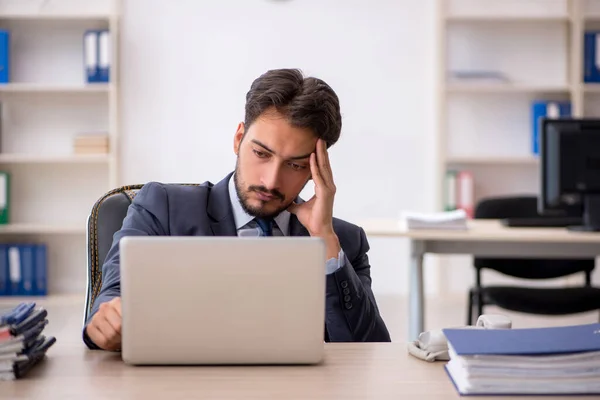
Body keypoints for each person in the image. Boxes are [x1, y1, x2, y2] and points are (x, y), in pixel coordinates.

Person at [83, 68, 391, 351]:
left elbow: (369, 352)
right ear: (238, 138)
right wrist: (108, 320)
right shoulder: (161, 207)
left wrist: (324, 238)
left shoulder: (344, 244)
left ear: (315, 170)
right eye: (261, 153)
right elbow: (112, 295)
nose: (270, 180)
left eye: (295, 165)